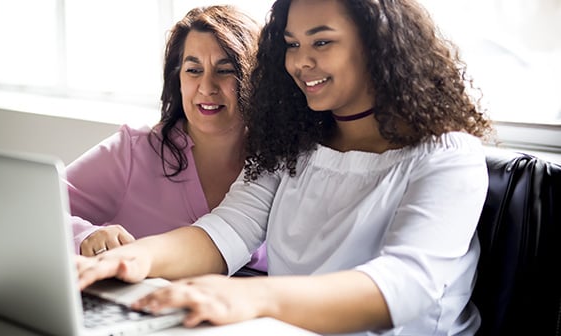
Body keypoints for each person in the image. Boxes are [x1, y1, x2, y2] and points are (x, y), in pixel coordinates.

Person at [76, 0, 494, 334]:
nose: (300, 62)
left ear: (377, 44)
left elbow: (404, 284)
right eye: (292, 44)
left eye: (321, 42)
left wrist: (254, 299)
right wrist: (131, 260)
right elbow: (225, 231)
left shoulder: (448, 155)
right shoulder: (295, 144)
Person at [65, 5, 267, 273]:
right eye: (193, 70)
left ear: (255, 77)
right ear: (178, 79)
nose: (207, 87)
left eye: (225, 70)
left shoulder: (281, 165)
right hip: (146, 308)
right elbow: (32, 209)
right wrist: (84, 235)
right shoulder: (132, 152)